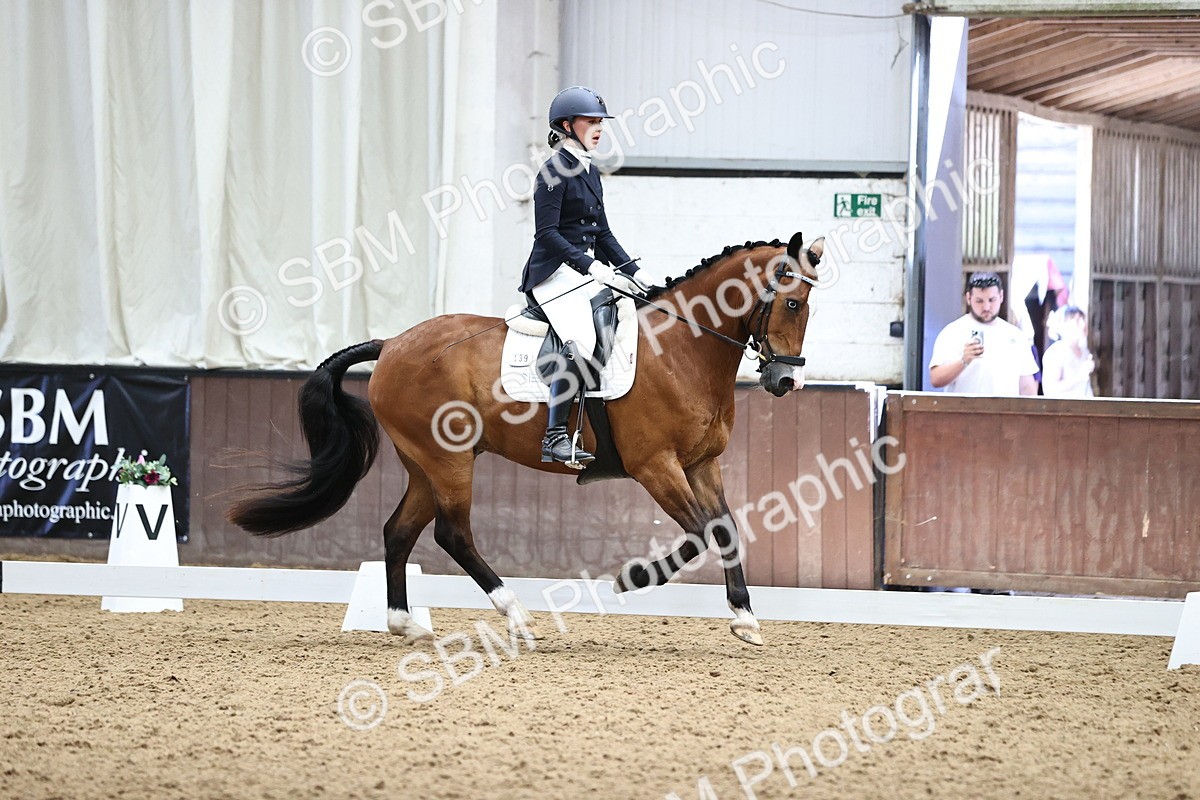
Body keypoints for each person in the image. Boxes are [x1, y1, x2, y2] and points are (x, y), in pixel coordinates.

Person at [518, 86, 648, 465]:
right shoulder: (553, 171)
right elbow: (547, 234)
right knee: (581, 336)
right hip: (553, 275)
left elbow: (603, 234)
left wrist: (637, 275)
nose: (599, 129)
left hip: (582, 273)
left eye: (600, 123)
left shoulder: (590, 170)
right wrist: (591, 267)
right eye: (591, 122)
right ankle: (554, 436)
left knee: (629, 312)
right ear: (566, 125)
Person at [928, 271, 1038, 396]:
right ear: (968, 298)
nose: (986, 307)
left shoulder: (1016, 336)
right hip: (963, 412)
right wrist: (963, 361)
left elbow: (1027, 388)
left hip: (1004, 413)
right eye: (979, 301)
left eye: (992, 300)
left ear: (1001, 296)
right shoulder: (953, 332)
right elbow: (935, 379)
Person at [1041, 306, 1095, 398]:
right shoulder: (1055, 352)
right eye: (1077, 320)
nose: (1083, 324)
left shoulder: (1084, 351)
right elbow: (1050, 390)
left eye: (1083, 319)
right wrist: (1079, 376)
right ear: (1063, 325)